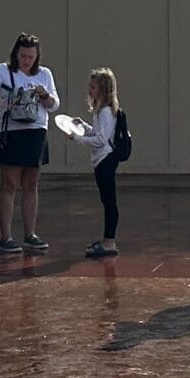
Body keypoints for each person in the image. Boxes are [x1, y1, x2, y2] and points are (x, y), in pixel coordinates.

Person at [0, 33, 58, 256]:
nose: (26, 60)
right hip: (12, 132)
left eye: (31, 56)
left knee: (31, 183)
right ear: (16, 54)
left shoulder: (44, 74)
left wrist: (44, 96)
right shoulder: (4, 70)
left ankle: (30, 234)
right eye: (23, 55)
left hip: (36, 132)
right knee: (9, 183)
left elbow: (54, 105)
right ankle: (6, 237)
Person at [74, 68, 128, 260]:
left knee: (109, 201)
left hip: (105, 159)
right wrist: (84, 127)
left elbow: (101, 140)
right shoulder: (102, 111)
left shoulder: (105, 111)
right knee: (107, 200)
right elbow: (98, 133)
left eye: (93, 87)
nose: (90, 90)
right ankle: (107, 240)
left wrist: (79, 139)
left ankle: (109, 241)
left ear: (103, 89)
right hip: (101, 160)